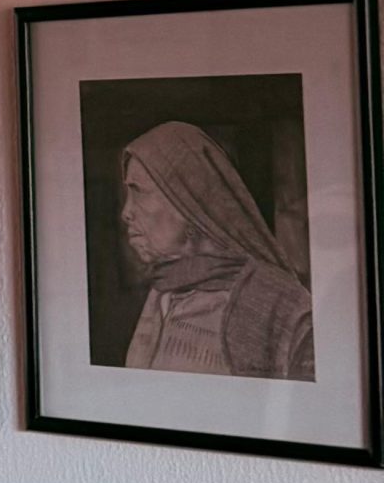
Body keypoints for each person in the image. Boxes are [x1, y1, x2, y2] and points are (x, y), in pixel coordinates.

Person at [118, 121, 314, 381]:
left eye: (138, 191)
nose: (126, 212)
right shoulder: (163, 291)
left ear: (188, 202)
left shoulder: (281, 304)